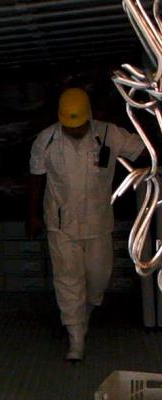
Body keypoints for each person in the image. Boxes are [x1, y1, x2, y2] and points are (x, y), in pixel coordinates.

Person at [28, 88, 144, 361]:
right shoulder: (46, 140)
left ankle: (86, 312)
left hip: (98, 222)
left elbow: (144, 150)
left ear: (89, 117)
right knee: (68, 279)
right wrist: (32, 215)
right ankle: (75, 336)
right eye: (70, 126)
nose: (75, 130)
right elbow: (36, 178)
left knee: (98, 276)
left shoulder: (109, 134)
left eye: (79, 126)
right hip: (61, 224)